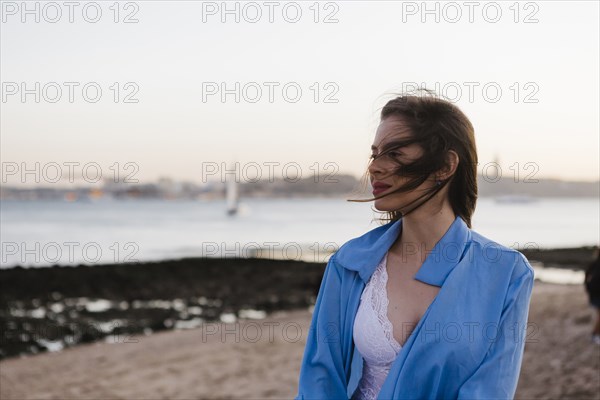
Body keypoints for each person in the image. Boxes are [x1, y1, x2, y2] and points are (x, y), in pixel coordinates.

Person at [295, 91, 535, 400]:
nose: (375, 167)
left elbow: (490, 390)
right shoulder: (350, 263)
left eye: (394, 153)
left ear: (445, 166)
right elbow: (319, 381)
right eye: (375, 153)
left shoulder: (506, 274)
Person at [584, 248, 600, 345]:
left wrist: (587, 286)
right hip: (596, 294)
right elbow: (586, 276)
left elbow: (586, 276)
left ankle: (595, 334)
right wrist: (587, 287)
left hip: (594, 293)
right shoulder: (594, 264)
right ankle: (595, 335)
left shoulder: (593, 263)